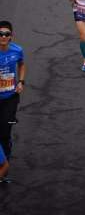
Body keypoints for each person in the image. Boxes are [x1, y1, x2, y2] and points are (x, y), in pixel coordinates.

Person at [0, 21, 25, 182]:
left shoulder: (17, 50)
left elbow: (22, 64)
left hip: (10, 98)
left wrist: (21, 81)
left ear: (11, 36)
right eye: (0, 34)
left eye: (6, 34)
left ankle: (4, 163)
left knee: (4, 133)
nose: (3, 37)